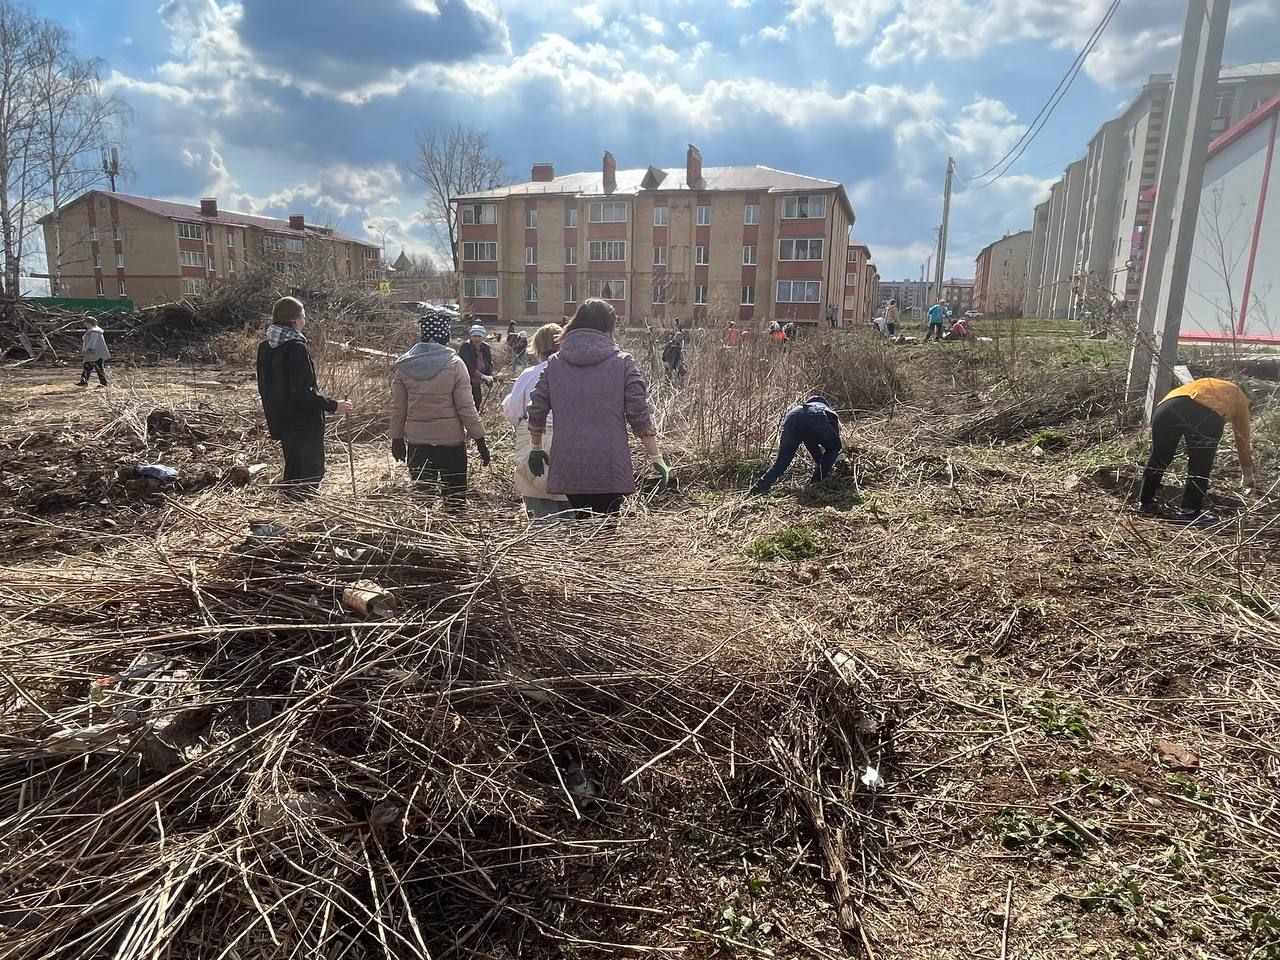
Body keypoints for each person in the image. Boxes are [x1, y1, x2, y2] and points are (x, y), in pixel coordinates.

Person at [526, 299, 670, 518]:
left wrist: (536, 447)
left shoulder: (555, 363)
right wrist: (656, 457)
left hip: (569, 463)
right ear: (609, 327)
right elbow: (638, 414)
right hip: (610, 464)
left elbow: (536, 408)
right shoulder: (623, 363)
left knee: (581, 525)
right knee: (607, 529)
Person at [256, 296, 354, 498]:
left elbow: (263, 387)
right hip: (304, 421)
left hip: (280, 418)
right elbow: (303, 391)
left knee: (293, 470)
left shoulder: (265, 347)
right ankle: (304, 515)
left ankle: (289, 509)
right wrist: (333, 405)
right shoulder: (296, 347)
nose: (304, 321)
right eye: (303, 316)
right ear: (294, 320)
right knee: (311, 472)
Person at [390, 311, 489, 508]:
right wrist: (480, 441)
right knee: (454, 501)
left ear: (423, 335)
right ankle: (453, 536)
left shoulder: (404, 366)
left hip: (418, 443)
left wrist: (397, 438)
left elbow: (398, 408)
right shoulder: (455, 364)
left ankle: (424, 536)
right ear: (446, 336)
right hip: (450, 444)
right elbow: (466, 408)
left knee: (422, 503)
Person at [1137, 377, 1256, 525]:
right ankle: (1189, 512)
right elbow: (1242, 442)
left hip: (1166, 406)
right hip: (1204, 413)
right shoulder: (1242, 400)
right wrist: (1248, 474)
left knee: (1160, 456)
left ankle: (1145, 502)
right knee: (1200, 464)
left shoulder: (1212, 384)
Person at [503, 322, 570, 520]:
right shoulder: (577, 375)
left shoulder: (529, 375)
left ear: (538, 348)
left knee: (538, 505)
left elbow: (512, 412)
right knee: (570, 507)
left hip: (533, 442)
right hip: (571, 443)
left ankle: (545, 547)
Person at [749, 396, 842, 495]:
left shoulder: (802, 408)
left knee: (783, 460)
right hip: (815, 416)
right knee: (835, 447)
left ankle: (758, 488)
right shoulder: (827, 411)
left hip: (791, 417)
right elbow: (833, 444)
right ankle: (816, 484)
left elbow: (811, 444)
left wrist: (821, 463)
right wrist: (831, 465)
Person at [457, 324, 494, 411]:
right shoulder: (466, 347)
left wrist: (489, 375)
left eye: (479, 336)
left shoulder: (486, 347)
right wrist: (483, 376)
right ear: (471, 336)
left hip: (477, 381)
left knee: (478, 401)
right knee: (468, 403)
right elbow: (468, 366)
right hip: (466, 380)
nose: (477, 339)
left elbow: (489, 363)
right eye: (475, 336)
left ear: (483, 337)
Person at [78, 318, 110, 387]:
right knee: (92, 367)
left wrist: (87, 348)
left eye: (86, 323)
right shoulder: (95, 331)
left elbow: (92, 341)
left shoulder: (94, 331)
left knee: (92, 367)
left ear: (89, 323)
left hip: (94, 352)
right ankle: (85, 381)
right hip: (96, 352)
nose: (85, 324)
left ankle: (85, 381)